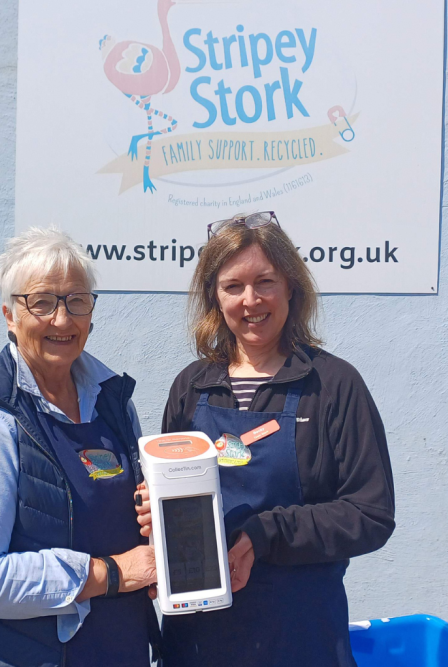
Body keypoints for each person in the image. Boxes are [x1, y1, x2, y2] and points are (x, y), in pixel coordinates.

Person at [135, 211, 395, 667]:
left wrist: (265, 533)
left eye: (265, 282)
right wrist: (154, 508)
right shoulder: (192, 386)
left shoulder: (333, 385)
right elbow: (176, 497)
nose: (250, 300)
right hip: (200, 638)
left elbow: (370, 514)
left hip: (299, 636)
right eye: (233, 286)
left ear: (291, 287)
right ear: (215, 297)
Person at [0, 227, 158, 667]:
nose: (62, 320)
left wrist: (152, 516)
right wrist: (111, 573)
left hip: (117, 646)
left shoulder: (113, 404)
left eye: (76, 301)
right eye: (42, 302)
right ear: (10, 315)